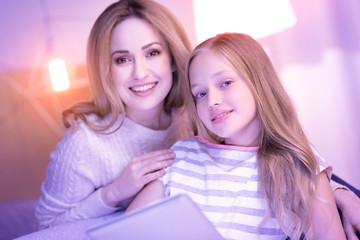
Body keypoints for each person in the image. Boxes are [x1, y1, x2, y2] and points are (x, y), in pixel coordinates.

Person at [126, 33, 347, 239]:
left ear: (258, 82)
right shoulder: (182, 156)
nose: (211, 100)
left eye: (225, 83)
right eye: (200, 94)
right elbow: (125, 231)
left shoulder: (297, 165)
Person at [35, 0, 193, 229]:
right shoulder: (84, 141)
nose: (140, 73)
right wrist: (113, 193)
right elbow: (47, 226)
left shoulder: (195, 118)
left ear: (172, 59)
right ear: (106, 70)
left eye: (152, 53)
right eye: (122, 59)